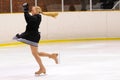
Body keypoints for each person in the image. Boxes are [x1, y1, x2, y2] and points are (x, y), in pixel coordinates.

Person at [13, 3, 58, 75]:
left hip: (33, 36)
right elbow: (28, 18)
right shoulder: (36, 17)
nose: (31, 11)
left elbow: (28, 18)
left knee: (35, 54)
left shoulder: (37, 17)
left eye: (32, 10)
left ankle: (42, 68)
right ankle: (52, 56)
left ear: (36, 11)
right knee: (36, 53)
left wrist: (25, 10)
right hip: (32, 35)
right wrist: (26, 11)